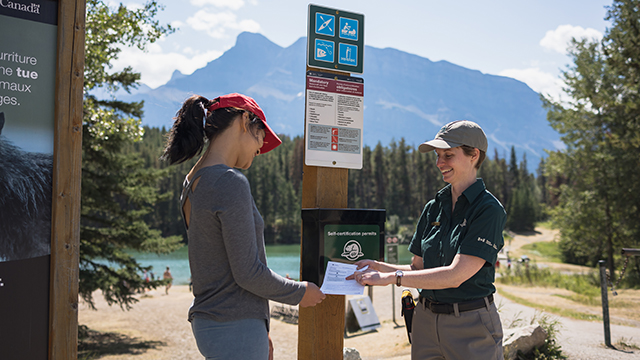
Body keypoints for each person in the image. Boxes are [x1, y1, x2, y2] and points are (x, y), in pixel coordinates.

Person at [162, 93, 325, 360]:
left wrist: (258, 325)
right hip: (235, 326)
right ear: (244, 119)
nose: (261, 147)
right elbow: (247, 272)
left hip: (216, 324)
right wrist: (300, 293)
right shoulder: (229, 181)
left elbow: (220, 262)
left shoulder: (192, 181)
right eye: (261, 134)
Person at [348, 120, 506, 359]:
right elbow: (417, 268)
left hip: (471, 325)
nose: (439, 163)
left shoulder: (488, 210)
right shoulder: (434, 207)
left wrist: (391, 278)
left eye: (448, 155)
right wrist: (379, 267)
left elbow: (455, 275)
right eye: (437, 155)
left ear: (474, 155)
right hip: (425, 321)